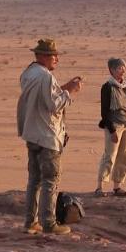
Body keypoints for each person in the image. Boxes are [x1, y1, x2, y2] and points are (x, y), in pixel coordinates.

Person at [17, 38, 83, 235]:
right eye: (54, 56)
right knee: (50, 180)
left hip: (32, 133)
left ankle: (30, 222)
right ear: (44, 56)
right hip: (48, 136)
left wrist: (63, 87)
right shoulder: (45, 77)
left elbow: (44, 97)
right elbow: (54, 104)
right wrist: (71, 91)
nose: (57, 59)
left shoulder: (28, 73)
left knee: (34, 180)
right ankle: (49, 223)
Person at [95, 58, 126, 197]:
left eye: (123, 68)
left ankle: (117, 186)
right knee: (110, 155)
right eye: (119, 68)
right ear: (112, 70)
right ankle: (100, 187)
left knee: (125, 155)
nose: (122, 71)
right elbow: (104, 112)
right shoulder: (107, 87)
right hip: (114, 125)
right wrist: (112, 130)